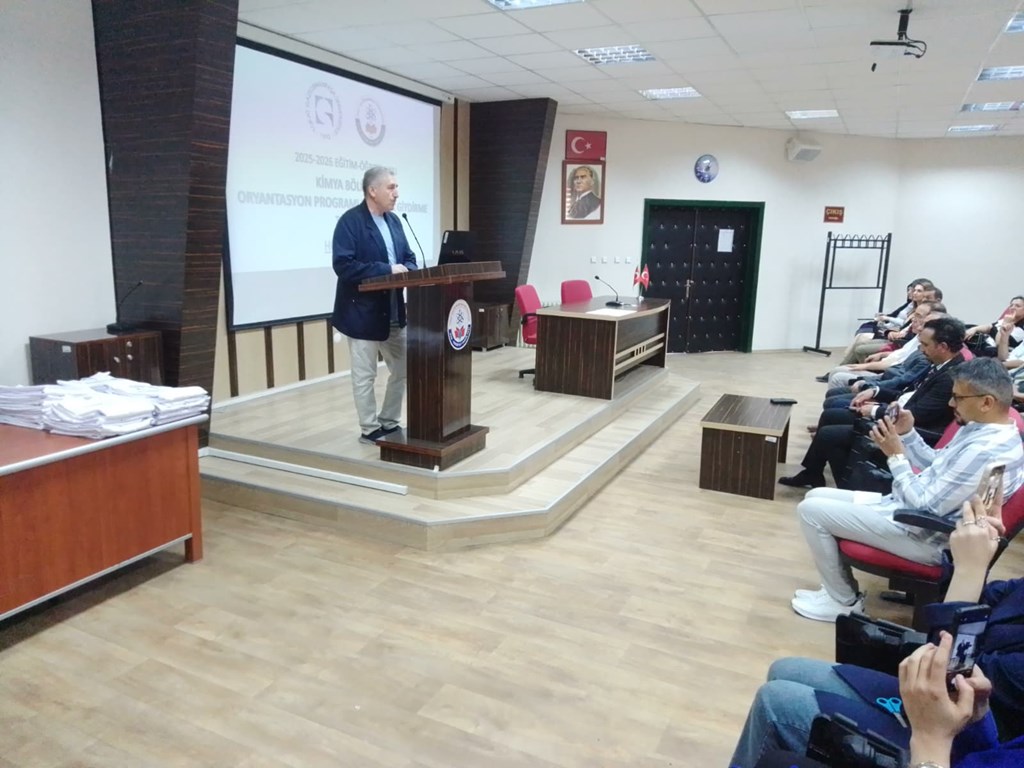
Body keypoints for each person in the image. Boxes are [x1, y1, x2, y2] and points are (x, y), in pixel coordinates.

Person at [728, 493, 1024, 767]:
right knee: (784, 670)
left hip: (948, 737)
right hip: (965, 719)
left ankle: (840, 597)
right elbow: (964, 639)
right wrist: (970, 567)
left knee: (775, 703)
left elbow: (947, 668)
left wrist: (930, 740)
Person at [789, 358, 1024, 622]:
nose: (951, 403)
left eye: (958, 398)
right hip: (914, 515)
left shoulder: (984, 451)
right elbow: (936, 463)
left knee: (810, 511)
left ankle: (842, 601)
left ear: (987, 402)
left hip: (927, 536)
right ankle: (839, 591)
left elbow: (924, 506)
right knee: (816, 495)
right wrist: (909, 434)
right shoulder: (987, 429)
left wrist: (896, 456)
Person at [781, 317, 968, 490]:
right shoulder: (939, 363)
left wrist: (875, 410)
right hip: (897, 414)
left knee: (829, 435)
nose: (921, 349)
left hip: (911, 432)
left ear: (942, 346)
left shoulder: (949, 377)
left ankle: (848, 489)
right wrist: (875, 391)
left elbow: (917, 415)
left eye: (925, 344)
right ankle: (813, 473)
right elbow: (907, 393)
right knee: (830, 417)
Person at [331, 166, 418, 444]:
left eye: (396, 187)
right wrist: (387, 270)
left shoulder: (395, 222)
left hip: (393, 311)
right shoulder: (350, 222)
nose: (396, 193)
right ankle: (369, 429)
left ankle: (389, 421)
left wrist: (410, 269)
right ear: (372, 190)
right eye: (391, 187)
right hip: (362, 313)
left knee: (404, 368)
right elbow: (343, 265)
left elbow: (409, 257)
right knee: (364, 375)